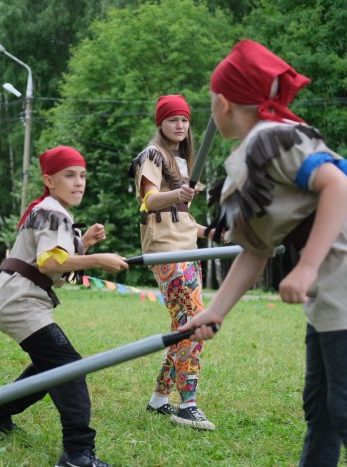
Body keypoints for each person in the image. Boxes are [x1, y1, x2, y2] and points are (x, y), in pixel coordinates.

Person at [179, 40, 347, 466]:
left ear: (223, 104)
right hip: (334, 280)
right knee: (321, 407)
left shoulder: (274, 137)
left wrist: (306, 267)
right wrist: (215, 312)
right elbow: (255, 249)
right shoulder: (255, 150)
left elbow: (339, 186)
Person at [0, 146, 129, 467]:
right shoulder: (52, 212)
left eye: (82, 175)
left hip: (16, 297)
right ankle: (77, 454)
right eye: (69, 175)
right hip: (20, 301)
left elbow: (53, 254)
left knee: (49, 365)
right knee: (69, 367)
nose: (79, 182)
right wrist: (98, 259)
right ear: (49, 180)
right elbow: (49, 262)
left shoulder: (51, 210)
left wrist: (85, 242)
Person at [128, 94, 214, 430]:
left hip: (187, 249)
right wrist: (179, 193)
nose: (180, 125)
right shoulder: (152, 154)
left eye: (184, 120)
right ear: (160, 123)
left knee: (183, 326)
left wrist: (212, 232)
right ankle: (187, 405)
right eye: (172, 119)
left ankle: (159, 399)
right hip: (167, 252)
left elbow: (181, 218)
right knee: (194, 324)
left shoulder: (181, 162)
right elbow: (150, 201)